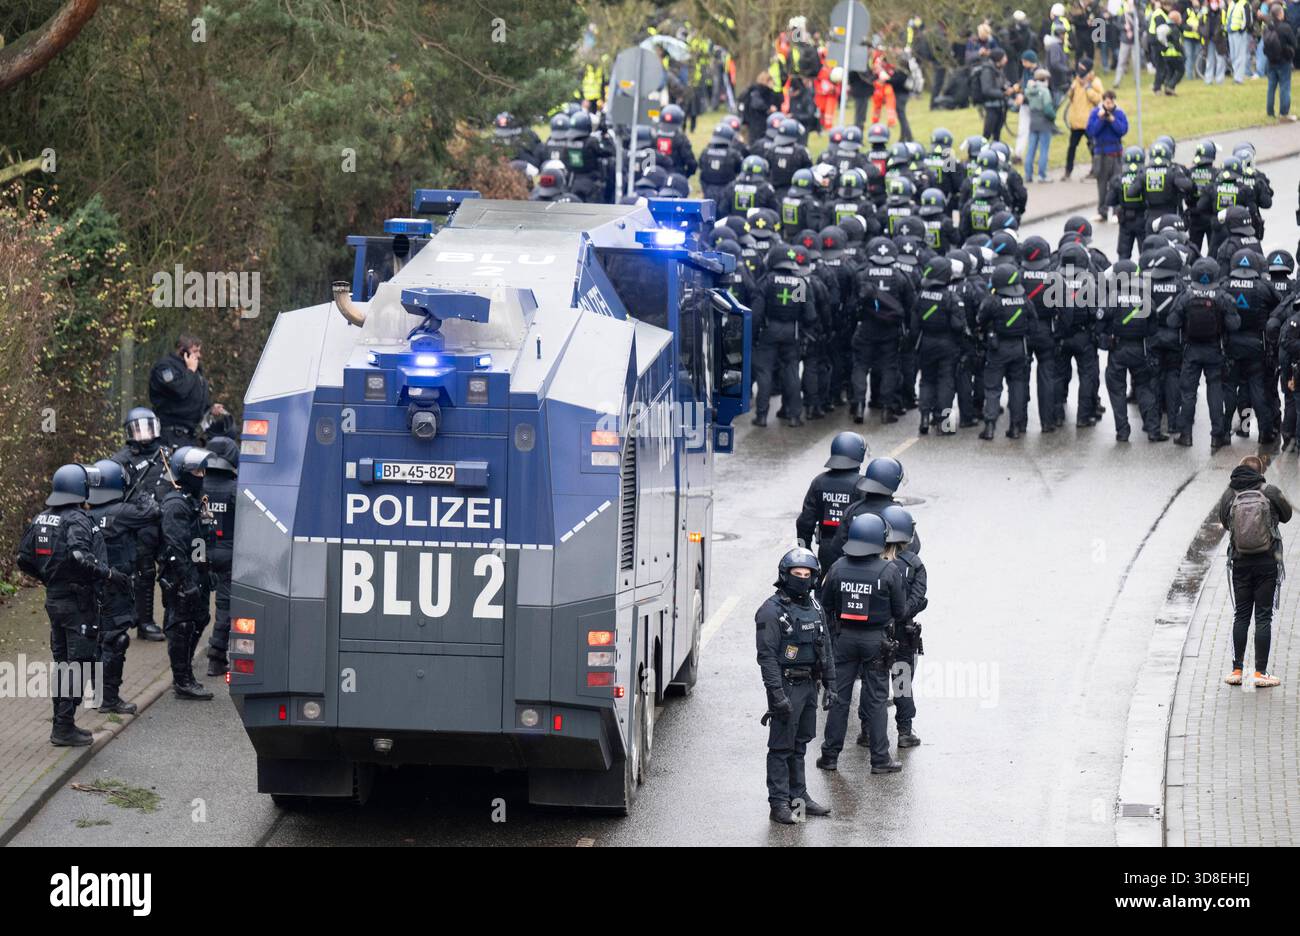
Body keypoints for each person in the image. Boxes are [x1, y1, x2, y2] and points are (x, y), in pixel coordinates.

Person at [18, 466, 128, 745]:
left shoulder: (42, 518)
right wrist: (110, 575)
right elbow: (81, 556)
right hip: (78, 604)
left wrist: (48, 578)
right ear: (80, 488)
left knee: (63, 663)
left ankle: (62, 723)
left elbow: (23, 558)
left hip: (54, 601)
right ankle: (63, 728)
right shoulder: (78, 519)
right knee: (78, 664)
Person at [817, 513, 906, 774]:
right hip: (876, 641)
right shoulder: (889, 570)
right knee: (876, 699)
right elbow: (899, 611)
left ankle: (830, 756)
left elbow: (826, 605)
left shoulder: (837, 567)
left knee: (839, 698)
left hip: (843, 640)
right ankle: (880, 759)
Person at [756, 548, 836, 824]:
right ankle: (778, 803)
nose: (802, 579)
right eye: (796, 574)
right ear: (784, 575)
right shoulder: (771, 611)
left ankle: (799, 797)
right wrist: (776, 695)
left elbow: (825, 647)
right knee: (781, 748)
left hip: (809, 686)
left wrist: (831, 684)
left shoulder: (815, 608)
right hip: (786, 685)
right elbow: (766, 658)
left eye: (807, 574)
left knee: (800, 745)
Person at [87, 459, 157, 714]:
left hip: (93, 585)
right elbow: (152, 512)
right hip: (116, 586)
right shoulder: (122, 511)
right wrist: (140, 492)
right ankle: (109, 699)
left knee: (98, 640)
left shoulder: (86, 513)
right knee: (116, 640)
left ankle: (98, 694)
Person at [1218, 455, 1291, 687]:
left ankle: (1236, 670)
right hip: (1267, 562)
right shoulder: (1269, 490)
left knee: (1241, 615)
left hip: (1240, 562)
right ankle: (1260, 673)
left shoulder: (1230, 493)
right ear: (1260, 471)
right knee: (1263, 616)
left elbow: (1224, 522)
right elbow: (1287, 515)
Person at [158, 446, 217, 699]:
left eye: (203, 469)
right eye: (196, 470)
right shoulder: (176, 504)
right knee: (181, 625)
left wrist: (205, 570)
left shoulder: (195, 500)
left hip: (197, 571)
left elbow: (200, 540)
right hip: (180, 576)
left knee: (200, 619)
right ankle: (181, 680)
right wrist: (185, 580)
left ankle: (186, 672)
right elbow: (174, 546)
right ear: (184, 472)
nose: (201, 475)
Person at [110, 407, 168, 643]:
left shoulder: (165, 454)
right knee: (142, 573)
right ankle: (142, 622)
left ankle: (172, 620)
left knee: (170, 570)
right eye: (139, 429)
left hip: (164, 522)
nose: (144, 434)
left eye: (148, 428)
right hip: (138, 525)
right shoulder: (120, 460)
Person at [1170, 257, 1241, 447]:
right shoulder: (1222, 296)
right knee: (1215, 392)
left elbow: (1172, 322)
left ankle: (1186, 435)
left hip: (1191, 350)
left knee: (1188, 394)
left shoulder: (1186, 295)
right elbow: (1234, 325)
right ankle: (1217, 436)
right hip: (1214, 350)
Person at [750, 242, 818, 427]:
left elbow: (756, 313)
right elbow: (810, 314)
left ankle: (762, 416)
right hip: (792, 332)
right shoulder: (800, 282)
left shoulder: (767, 281)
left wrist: (753, 336)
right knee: (791, 373)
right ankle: (795, 416)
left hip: (769, 331)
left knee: (764, 373)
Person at [879, 505, 927, 748]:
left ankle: (868, 731)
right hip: (902, 633)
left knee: (873, 683)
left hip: (874, 631)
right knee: (902, 682)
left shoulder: (868, 559)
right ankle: (905, 731)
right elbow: (918, 597)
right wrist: (904, 613)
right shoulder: (914, 564)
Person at [202, 435, 238, 676]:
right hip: (228, 553)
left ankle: (183, 666)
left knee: (193, 606)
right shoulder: (236, 489)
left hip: (200, 552)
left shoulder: (198, 486)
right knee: (225, 606)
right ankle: (216, 655)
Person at [148, 335, 215, 447]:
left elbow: (197, 399)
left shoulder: (195, 371)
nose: (199, 355)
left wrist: (211, 409)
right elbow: (180, 390)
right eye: (195, 351)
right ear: (183, 351)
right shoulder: (165, 367)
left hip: (190, 435)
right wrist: (190, 371)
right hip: (171, 434)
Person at [1087, 90, 1128, 223]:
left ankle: (1117, 212)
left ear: (1114, 101)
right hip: (1101, 154)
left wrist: (1112, 120)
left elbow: (1122, 131)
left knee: (1116, 183)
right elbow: (1092, 131)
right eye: (1106, 102)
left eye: (1111, 102)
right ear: (1103, 101)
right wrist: (1101, 119)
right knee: (1102, 184)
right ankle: (1102, 212)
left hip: (1115, 153)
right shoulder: (1095, 113)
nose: (1108, 105)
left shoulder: (1119, 114)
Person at [1063, 59, 1104, 181]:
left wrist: (1088, 88)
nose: (1080, 70)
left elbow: (1099, 99)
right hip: (1076, 121)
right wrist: (1072, 87)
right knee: (1072, 147)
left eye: (1082, 67)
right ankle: (1068, 171)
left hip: (1089, 121)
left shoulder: (1095, 82)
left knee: (1093, 147)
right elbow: (1070, 97)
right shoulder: (1076, 80)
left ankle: (1095, 170)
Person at [1263, 2, 1298, 119]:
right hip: (1284, 61)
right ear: (1280, 14)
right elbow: (1294, 43)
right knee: (1284, 86)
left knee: (1271, 87)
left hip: (1271, 61)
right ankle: (1284, 112)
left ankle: (1270, 112)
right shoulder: (1285, 27)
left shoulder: (1268, 27)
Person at [1024, 68, 1057, 183]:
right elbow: (1048, 110)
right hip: (1044, 122)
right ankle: (1042, 175)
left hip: (1033, 121)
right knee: (1043, 149)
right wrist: (1054, 116)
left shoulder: (1029, 90)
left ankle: (1028, 175)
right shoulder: (1044, 91)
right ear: (1045, 79)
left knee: (1031, 149)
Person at [1227, 0, 1253, 81]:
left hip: (1239, 33)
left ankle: (1239, 78)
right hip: (1230, 32)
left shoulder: (1245, 4)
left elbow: (1248, 20)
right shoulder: (1232, 4)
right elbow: (1228, 17)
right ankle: (1236, 75)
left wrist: (1242, 30)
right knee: (1233, 55)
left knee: (1240, 55)